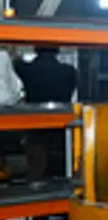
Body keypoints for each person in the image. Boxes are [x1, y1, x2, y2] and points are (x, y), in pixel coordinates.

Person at [15, 47, 78, 181]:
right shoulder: (69, 71)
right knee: (63, 165)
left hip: (36, 126)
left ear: (35, 50)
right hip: (61, 126)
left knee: (37, 164)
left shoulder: (27, 69)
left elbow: (16, 62)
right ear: (57, 51)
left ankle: (36, 185)